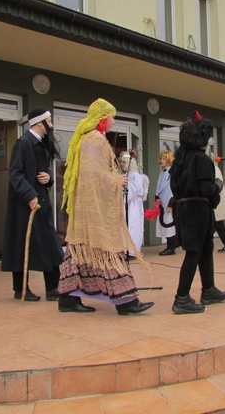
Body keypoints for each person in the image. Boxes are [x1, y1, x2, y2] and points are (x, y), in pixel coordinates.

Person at [57, 98, 154, 315]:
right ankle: (126, 302)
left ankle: (67, 298)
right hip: (95, 209)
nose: (114, 120)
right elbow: (94, 174)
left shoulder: (88, 138)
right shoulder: (95, 140)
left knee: (79, 249)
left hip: (87, 208)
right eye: (112, 116)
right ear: (102, 118)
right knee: (107, 249)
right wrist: (116, 180)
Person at [1, 107, 64, 301]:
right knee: (22, 245)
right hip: (25, 205)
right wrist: (30, 195)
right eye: (49, 121)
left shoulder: (42, 144)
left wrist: (49, 177)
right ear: (39, 123)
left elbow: (44, 171)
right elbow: (15, 173)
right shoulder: (23, 143)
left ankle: (53, 288)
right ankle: (20, 289)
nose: (51, 125)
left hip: (42, 203)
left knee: (50, 243)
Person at [170, 111, 225, 314]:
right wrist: (218, 186)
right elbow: (206, 189)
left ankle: (209, 289)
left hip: (185, 210)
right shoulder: (202, 159)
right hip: (198, 210)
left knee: (204, 249)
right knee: (195, 252)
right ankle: (181, 298)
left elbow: (176, 188)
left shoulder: (179, 160)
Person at [118, 151, 149, 254]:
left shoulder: (135, 176)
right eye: (120, 161)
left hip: (133, 205)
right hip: (126, 204)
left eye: (123, 162)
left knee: (133, 226)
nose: (121, 164)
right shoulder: (124, 175)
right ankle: (125, 249)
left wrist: (123, 197)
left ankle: (132, 250)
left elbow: (133, 190)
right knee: (125, 226)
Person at [155, 150, 178, 256]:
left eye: (164, 159)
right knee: (164, 223)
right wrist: (157, 198)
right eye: (161, 158)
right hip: (162, 202)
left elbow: (173, 189)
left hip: (169, 202)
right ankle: (171, 245)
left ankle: (171, 247)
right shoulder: (162, 172)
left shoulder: (172, 173)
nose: (162, 161)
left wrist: (171, 204)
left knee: (169, 224)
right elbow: (159, 187)